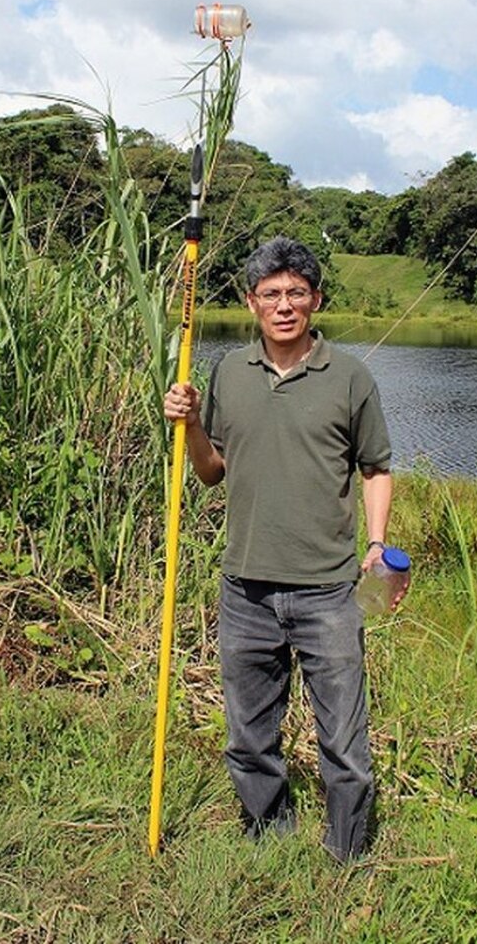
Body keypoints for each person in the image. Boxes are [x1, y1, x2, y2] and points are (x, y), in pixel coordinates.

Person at [164, 235, 408, 862]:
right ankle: (269, 841)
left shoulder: (349, 377)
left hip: (327, 590)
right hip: (244, 586)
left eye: (296, 293)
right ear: (251, 303)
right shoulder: (228, 374)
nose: (283, 305)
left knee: (344, 743)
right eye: (270, 294)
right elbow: (212, 470)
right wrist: (190, 425)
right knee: (248, 737)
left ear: (314, 300)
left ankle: (348, 857)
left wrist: (377, 546)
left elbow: (376, 467)